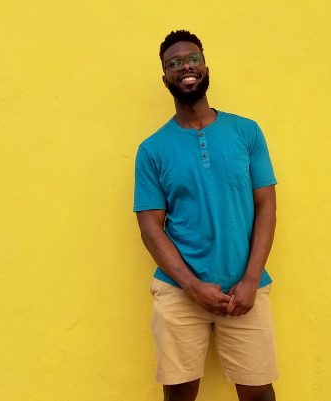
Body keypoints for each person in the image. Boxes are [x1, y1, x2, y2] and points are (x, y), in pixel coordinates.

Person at [133, 29, 279, 401]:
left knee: (259, 391)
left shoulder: (246, 132)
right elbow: (151, 228)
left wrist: (249, 280)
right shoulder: (152, 149)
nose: (185, 67)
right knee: (179, 393)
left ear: (205, 66)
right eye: (174, 63)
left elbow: (267, 206)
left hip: (244, 287)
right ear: (165, 77)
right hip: (179, 289)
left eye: (192, 59)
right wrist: (192, 286)